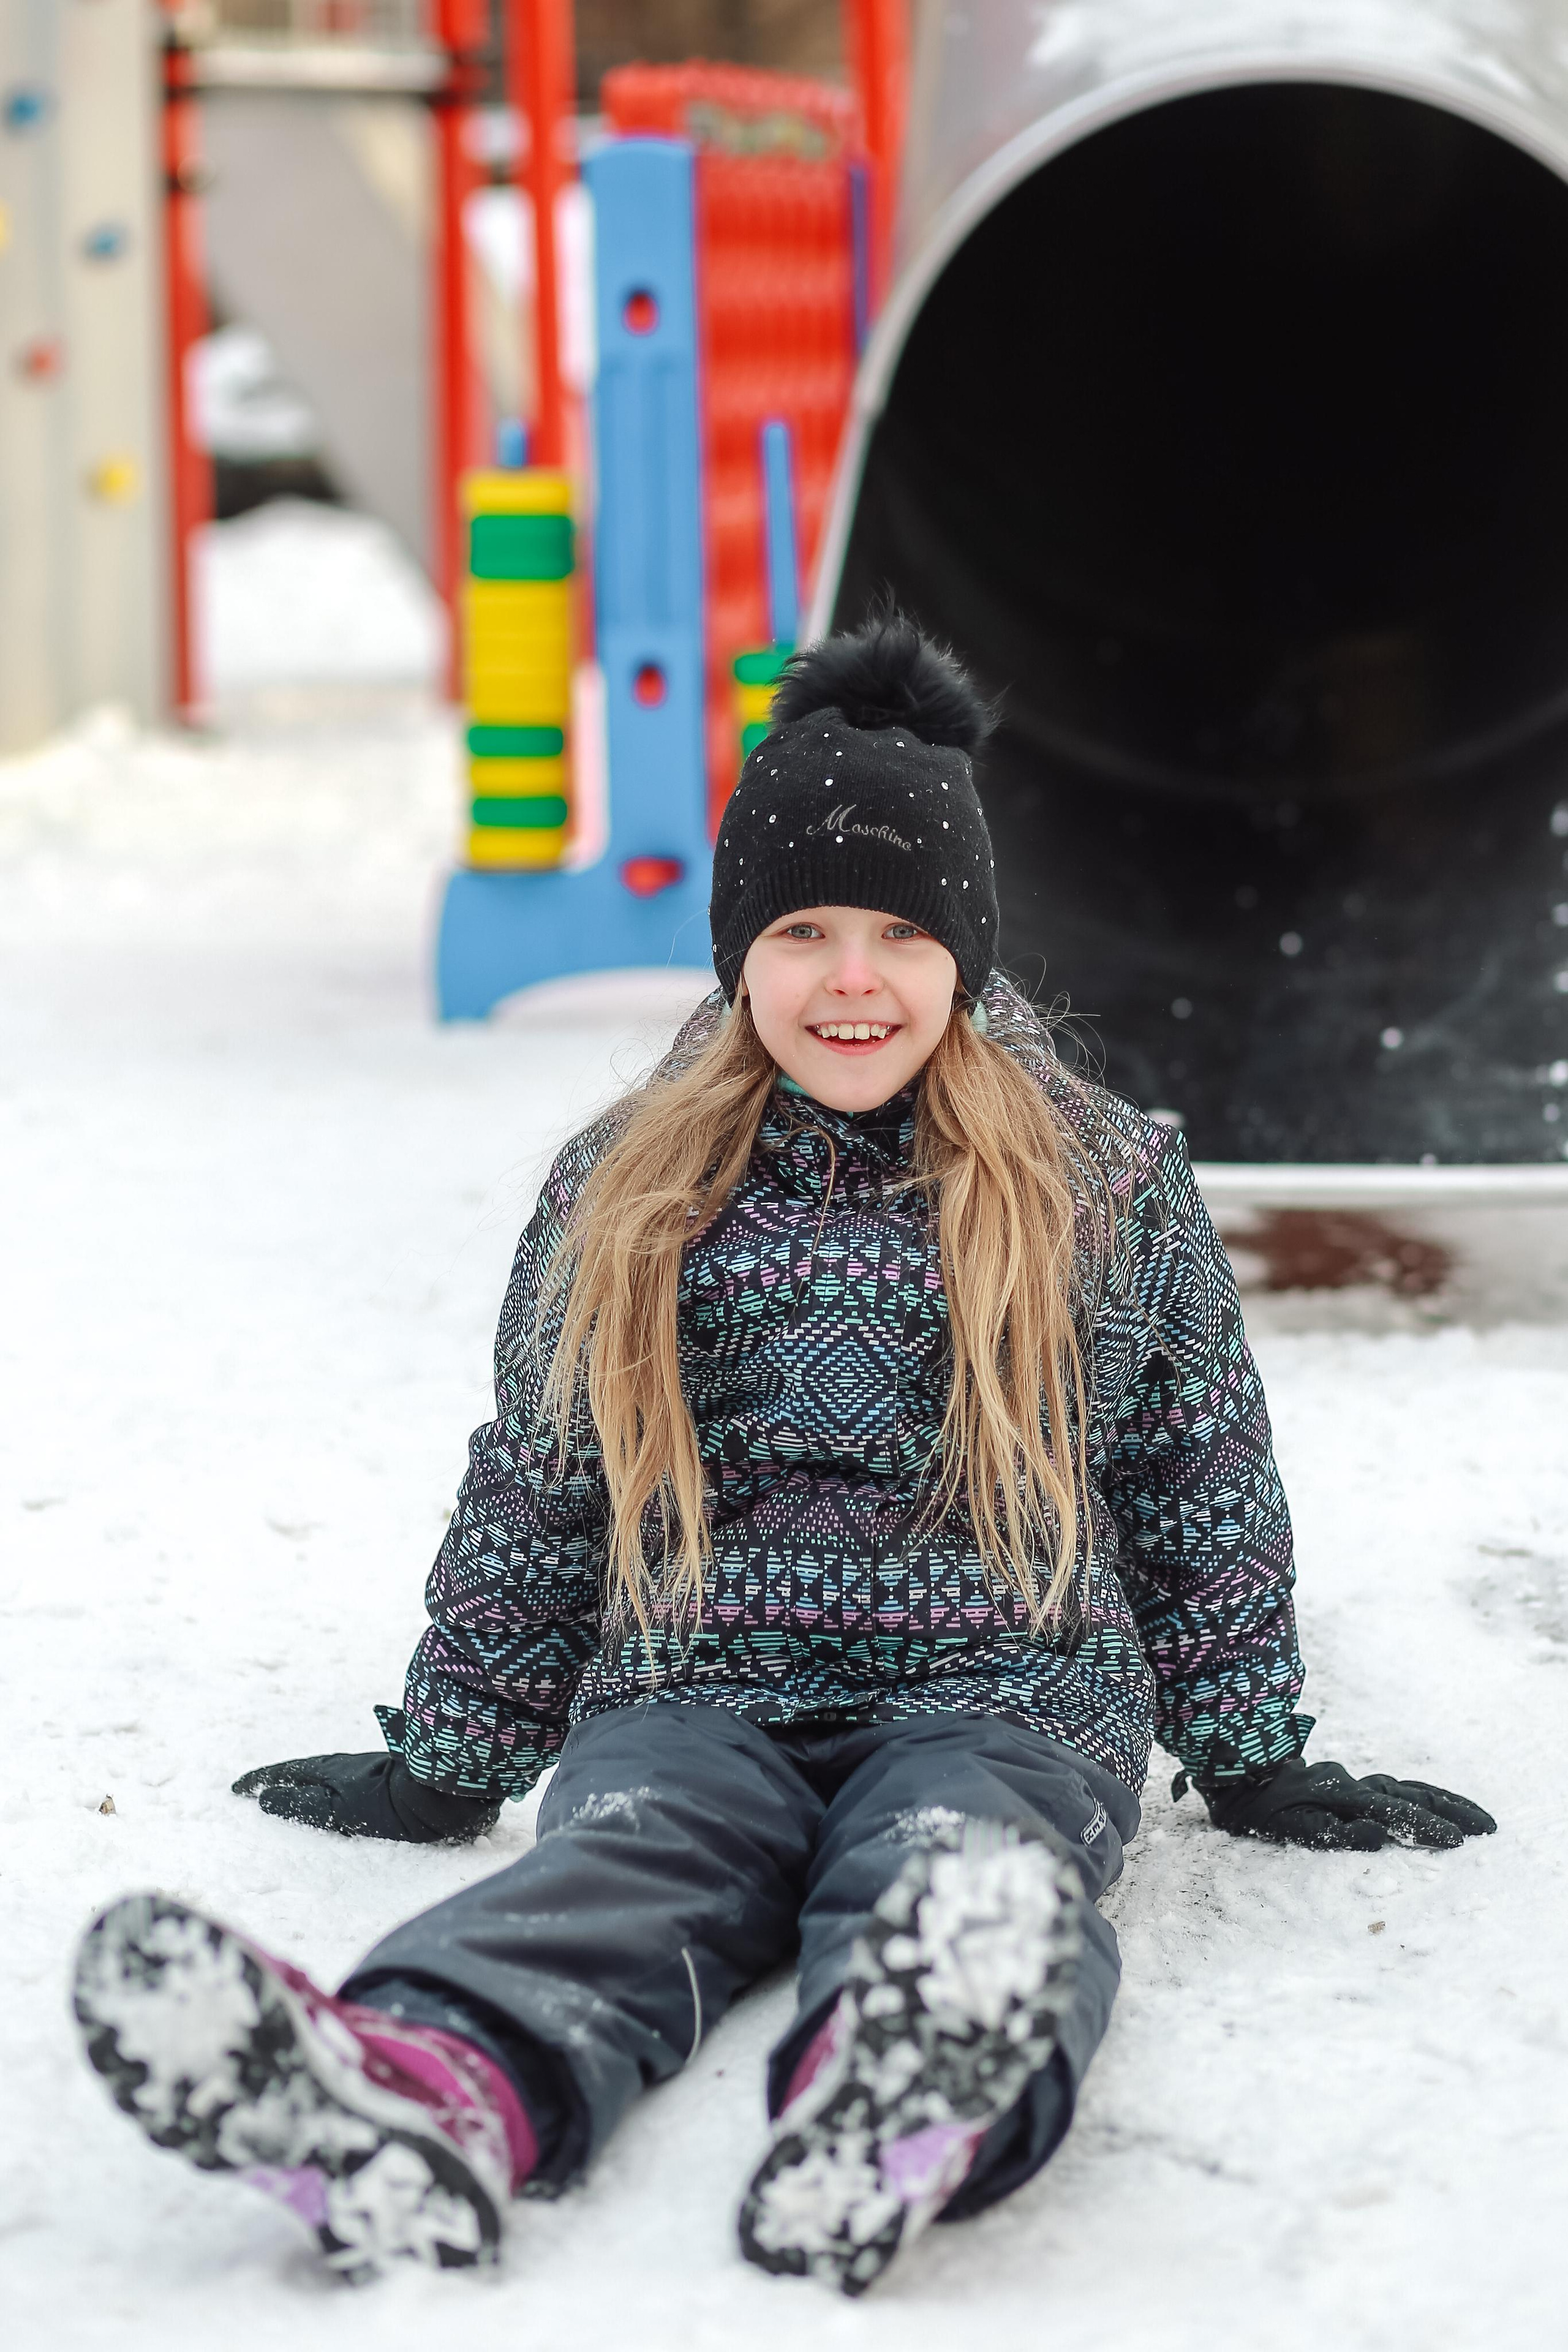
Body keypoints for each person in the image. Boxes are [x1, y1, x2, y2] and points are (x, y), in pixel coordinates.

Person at [71, 613, 1493, 2296]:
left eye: (900, 931)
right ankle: (417, 2093)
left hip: (1011, 1688)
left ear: (966, 951)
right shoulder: (629, 1188)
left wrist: (1255, 1755)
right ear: (738, 951)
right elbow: (543, 1480)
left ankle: (905, 2090)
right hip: (696, 1686)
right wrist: (451, 1761)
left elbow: (1198, 1477)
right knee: (620, 1866)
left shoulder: (1100, 1184)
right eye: (803, 928)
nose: (851, 978)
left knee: (974, 1869)